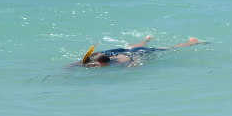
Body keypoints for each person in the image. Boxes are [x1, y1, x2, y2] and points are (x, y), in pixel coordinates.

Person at [73, 35, 209, 68]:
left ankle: (192, 42)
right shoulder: (94, 59)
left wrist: (131, 69)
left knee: (167, 48)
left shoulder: (120, 60)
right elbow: (83, 62)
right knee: (131, 47)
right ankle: (146, 38)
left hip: (138, 53)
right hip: (126, 50)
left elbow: (134, 61)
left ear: (103, 63)